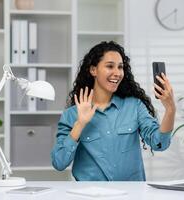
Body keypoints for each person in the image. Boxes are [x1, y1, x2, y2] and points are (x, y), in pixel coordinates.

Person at [51, 41, 176, 181]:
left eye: (120, 67)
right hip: (91, 195)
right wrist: (80, 124)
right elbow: (59, 163)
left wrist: (170, 109)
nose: (117, 73)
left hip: (131, 194)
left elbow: (159, 143)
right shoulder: (72, 114)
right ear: (93, 70)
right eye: (110, 66)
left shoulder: (134, 106)